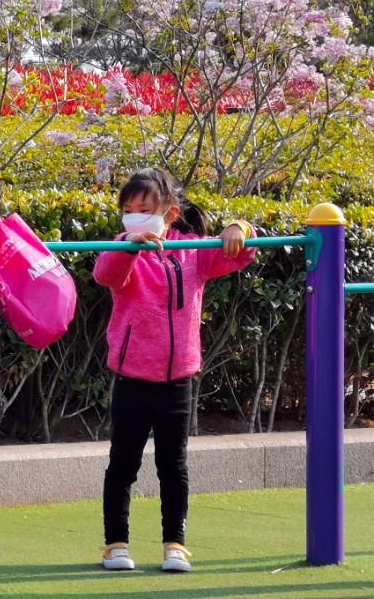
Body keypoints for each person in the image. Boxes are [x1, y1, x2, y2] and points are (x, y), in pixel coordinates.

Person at [92, 167, 256, 573]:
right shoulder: (122, 247)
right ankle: (115, 544)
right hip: (133, 378)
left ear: (170, 213)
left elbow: (239, 254)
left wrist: (240, 227)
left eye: (144, 210)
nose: (135, 217)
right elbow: (105, 274)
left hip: (177, 380)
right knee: (123, 464)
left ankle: (175, 544)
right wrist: (129, 246)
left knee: (174, 467)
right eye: (128, 210)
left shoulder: (192, 251)